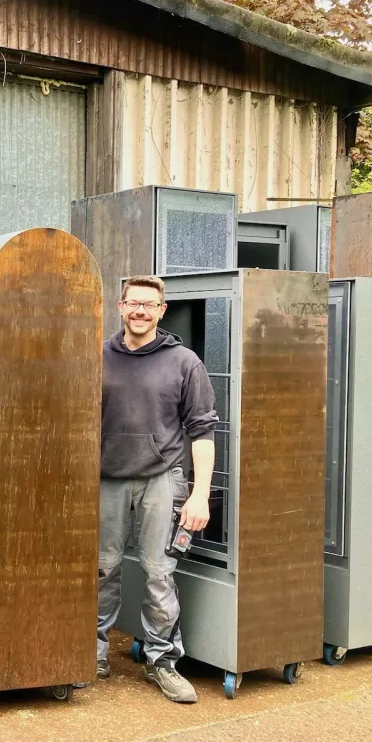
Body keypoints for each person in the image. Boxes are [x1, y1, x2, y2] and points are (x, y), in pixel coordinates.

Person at [96, 274, 218, 703]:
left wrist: (199, 494)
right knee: (101, 568)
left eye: (149, 304)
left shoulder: (184, 362)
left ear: (161, 311)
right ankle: (91, 655)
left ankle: (162, 662)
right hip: (104, 478)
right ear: (120, 306)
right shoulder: (98, 357)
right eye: (133, 303)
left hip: (162, 479)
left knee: (159, 573)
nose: (140, 311)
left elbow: (202, 432)